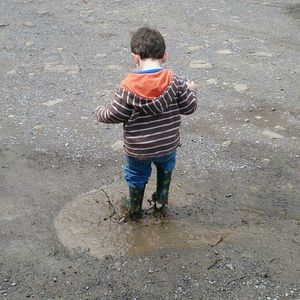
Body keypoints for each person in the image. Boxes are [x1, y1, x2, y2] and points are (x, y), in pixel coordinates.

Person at [95, 26, 197, 220]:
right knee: (166, 168)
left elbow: (114, 114)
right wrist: (191, 90)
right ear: (164, 56)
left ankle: (134, 209)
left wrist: (99, 112)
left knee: (136, 173)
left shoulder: (127, 88)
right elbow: (189, 108)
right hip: (167, 145)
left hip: (139, 149)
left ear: (136, 57)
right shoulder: (176, 82)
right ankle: (160, 201)